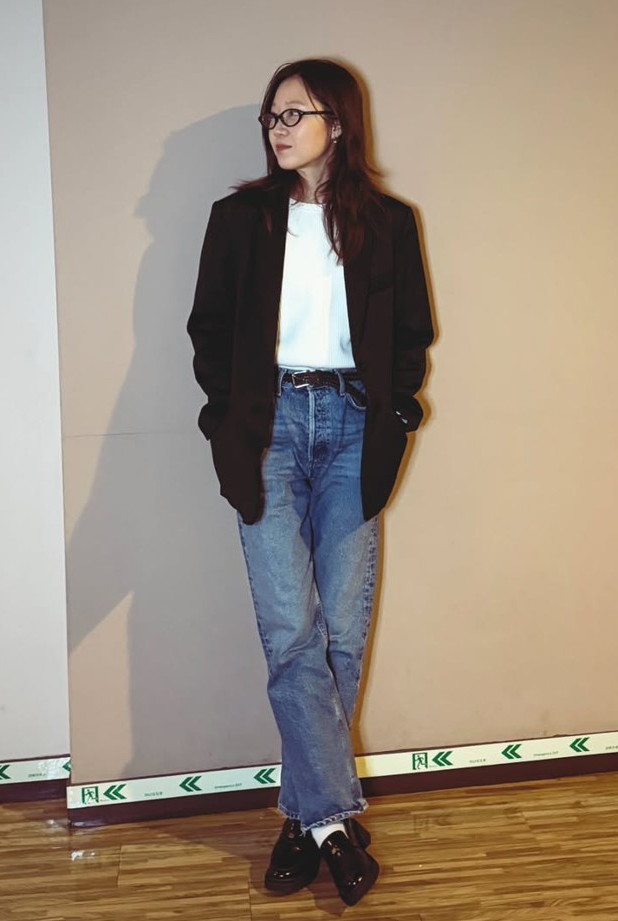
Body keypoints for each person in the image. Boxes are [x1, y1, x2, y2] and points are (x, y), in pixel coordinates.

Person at [187, 58, 433, 906]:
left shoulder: (388, 223)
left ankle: (303, 816)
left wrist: (395, 411)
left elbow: (411, 333)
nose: (278, 127)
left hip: (355, 426)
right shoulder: (239, 219)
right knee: (291, 627)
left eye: (294, 113)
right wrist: (224, 417)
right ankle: (334, 824)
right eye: (271, 115)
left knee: (342, 635)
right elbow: (209, 329)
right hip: (269, 427)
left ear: (339, 121)